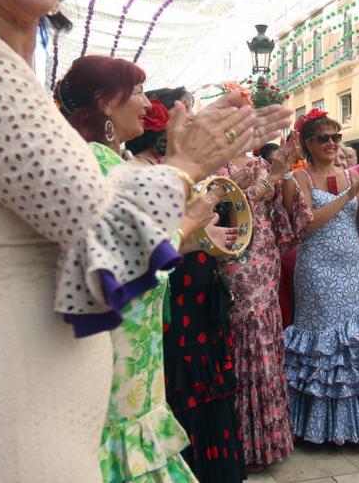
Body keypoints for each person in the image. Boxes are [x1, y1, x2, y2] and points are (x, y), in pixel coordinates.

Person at [0, 0, 292, 481]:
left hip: (28, 397)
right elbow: (96, 232)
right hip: (8, 404)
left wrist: (194, 167)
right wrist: (185, 164)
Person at [57, 57, 223, 482]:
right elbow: (119, 263)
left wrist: (192, 233)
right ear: (105, 103)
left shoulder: (119, 160)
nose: (147, 103)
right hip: (120, 343)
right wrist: (189, 222)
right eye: (137, 93)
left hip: (139, 342)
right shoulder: (93, 162)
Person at [126, 86, 248, 483]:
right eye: (187, 118)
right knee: (184, 383)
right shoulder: (140, 171)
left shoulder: (181, 171)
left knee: (210, 380)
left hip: (202, 290)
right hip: (173, 295)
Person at [283, 110, 359, 443]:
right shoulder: (300, 179)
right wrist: (348, 196)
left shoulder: (353, 175)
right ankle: (318, 427)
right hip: (317, 272)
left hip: (353, 267)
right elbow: (306, 224)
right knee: (323, 346)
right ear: (309, 143)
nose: (332, 144)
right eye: (324, 137)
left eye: (336, 137)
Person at [216, 133, 308, 470]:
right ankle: (245, 444)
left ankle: (269, 443)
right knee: (248, 340)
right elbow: (228, 207)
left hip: (266, 258)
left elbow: (288, 216)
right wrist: (271, 177)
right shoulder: (214, 167)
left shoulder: (260, 164)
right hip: (236, 259)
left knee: (268, 341)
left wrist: (284, 175)